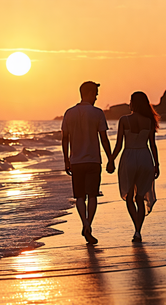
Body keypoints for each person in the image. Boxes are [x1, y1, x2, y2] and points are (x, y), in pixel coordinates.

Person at [62, 81, 112, 245]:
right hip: (93, 160)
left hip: (76, 161)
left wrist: (66, 160)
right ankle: (88, 224)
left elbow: (65, 139)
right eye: (95, 93)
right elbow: (103, 138)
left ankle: (85, 223)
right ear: (89, 93)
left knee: (79, 197)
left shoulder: (69, 113)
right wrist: (110, 158)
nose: (96, 96)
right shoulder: (97, 113)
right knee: (92, 195)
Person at [107, 91, 160, 243]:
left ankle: (136, 228)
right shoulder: (149, 121)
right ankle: (138, 231)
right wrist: (157, 164)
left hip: (129, 157)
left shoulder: (124, 120)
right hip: (145, 157)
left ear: (133, 103)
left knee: (129, 197)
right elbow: (152, 145)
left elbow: (118, 145)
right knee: (140, 197)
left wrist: (111, 160)